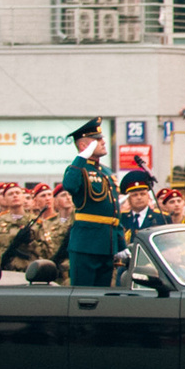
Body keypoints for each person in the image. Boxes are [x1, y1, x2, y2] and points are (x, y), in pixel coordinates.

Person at [62, 120, 121, 288]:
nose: (103, 142)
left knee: (102, 298)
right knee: (83, 296)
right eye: (97, 139)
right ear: (83, 146)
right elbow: (70, 185)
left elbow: (114, 212)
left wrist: (120, 243)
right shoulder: (77, 169)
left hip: (107, 245)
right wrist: (80, 158)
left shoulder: (106, 172)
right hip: (86, 245)